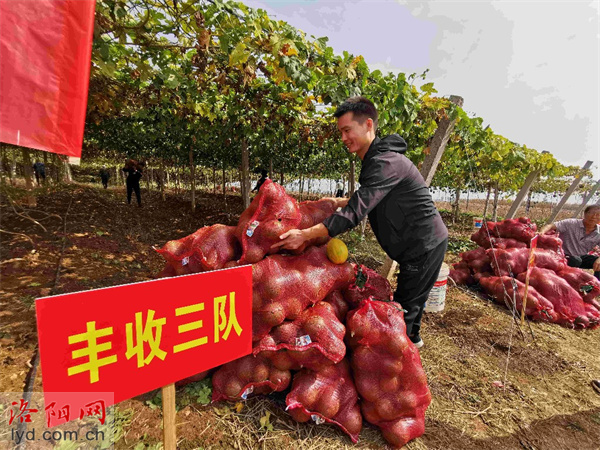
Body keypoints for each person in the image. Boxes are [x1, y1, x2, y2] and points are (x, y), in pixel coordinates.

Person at [272, 96, 448, 348]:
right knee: (412, 303)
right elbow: (372, 196)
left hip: (422, 245)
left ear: (367, 125)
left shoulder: (385, 162)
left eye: (347, 130)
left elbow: (356, 211)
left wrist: (306, 234)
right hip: (420, 241)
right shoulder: (379, 160)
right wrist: (337, 201)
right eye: (340, 132)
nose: (343, 138)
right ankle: (414, 342)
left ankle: (400, 364)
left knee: (404, 311)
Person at [540, 205, 600, 280]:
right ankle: (564, 279)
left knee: (581, 260)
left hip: (581, 257)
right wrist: (541, 232)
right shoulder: (571, 223)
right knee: (576, 260)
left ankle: (596, 286)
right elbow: (551, 226)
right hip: (562, 255)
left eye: (598, 215)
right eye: (591, 213)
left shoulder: (599, 231)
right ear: (585, 214)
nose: (594, 217)